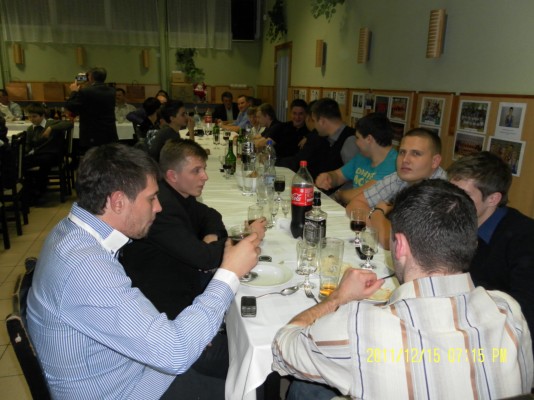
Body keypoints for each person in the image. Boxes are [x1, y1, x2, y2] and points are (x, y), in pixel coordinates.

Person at [26, 143, 261, 399]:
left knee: (236, 364)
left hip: (129, 366)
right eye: (151, 198)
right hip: (125, 390)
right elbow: (175, 354)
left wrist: (188, 329)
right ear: (118, 202)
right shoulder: (86, 267)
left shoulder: (71, 231)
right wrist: (229, 274)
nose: (158, 207)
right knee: (251, 383)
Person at [273, 179, 533, 400]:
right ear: (470, 242)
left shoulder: (359, 326)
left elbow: (283, 349)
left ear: (400, 246)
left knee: (303, 388)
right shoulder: (508, 311)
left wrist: (338, 298)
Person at [447, 151, 534, 338]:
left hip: (500, 334)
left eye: (463, 195)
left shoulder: (525, 238)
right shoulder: (457, 218)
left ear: (493, 199)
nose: (450, 201)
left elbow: (523, 310)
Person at [346, 127, 446, 248]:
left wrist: (378, 213)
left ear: (435, 161)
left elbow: (394, 242)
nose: (405, 160)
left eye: (416, 153)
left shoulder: (442, 193)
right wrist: (380, 224)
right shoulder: (399, 177)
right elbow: (355, 205)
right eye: (402, 152)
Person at [315, 112, 397, 204]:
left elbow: (362, 196)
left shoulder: (394, 165)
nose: (355, 142)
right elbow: (338, 176)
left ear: (369, 139)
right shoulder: (363, 157)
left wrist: (339, 194)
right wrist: (328, 177)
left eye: (357, 138)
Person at [23, 103, 73, 198]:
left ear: (42, 116)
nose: (32, 119)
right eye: (30, 117)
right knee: (23, 163)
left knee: (42, 163)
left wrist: (51, 128)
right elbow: (28, 145)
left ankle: (37, 189)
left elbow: (69, 124)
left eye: (34, 116)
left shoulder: (50, 123)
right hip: (40, 154)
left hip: (53, 154)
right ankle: (31, 189)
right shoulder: (30, 129)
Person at [66, 67, 118, 152]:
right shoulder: (112, 91)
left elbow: (71, 106)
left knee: (93, 157)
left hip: (92, 134)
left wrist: (74, 92)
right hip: (109, 133)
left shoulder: (85, 91)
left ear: (91, 77)